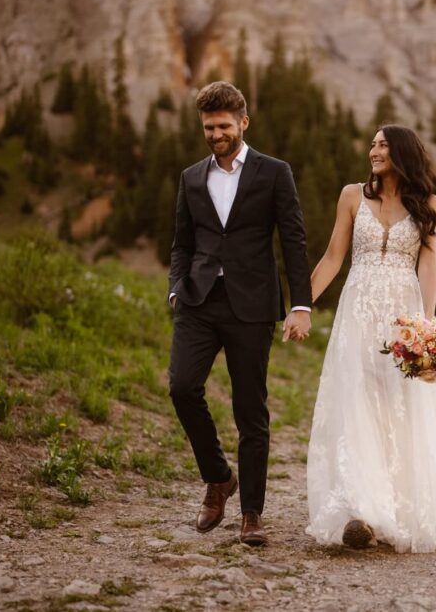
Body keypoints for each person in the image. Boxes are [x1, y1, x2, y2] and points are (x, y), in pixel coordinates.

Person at [305, 125, 436, 553]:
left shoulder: (428, 204)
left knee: (400, 409)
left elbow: (429, 266)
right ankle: (361, 511)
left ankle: (399, 510)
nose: (373, 150)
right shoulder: (351, 196)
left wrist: (428, 326)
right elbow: (333, 257)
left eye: (382, 144)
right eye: (372, 143)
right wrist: (301, 304)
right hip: (357, 314)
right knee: (357, 404)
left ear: (402, 153)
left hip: (403, 317)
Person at [166, 82, 312, 546]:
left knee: (250, 411)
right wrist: (176, 289)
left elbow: (293, 240)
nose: (216, 134)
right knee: (182, 387)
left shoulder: (274, 173)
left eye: (224, 126)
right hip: (199, 300)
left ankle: (252, 513)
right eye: (209, 127)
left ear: (243, 123)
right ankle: (218, 478)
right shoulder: (191, 177)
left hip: (252, 305)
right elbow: (182, 243)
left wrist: (301, 304)